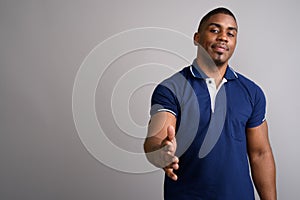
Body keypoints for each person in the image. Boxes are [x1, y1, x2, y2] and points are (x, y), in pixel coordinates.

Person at [144, 7, 276, 200]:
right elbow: (155, 139)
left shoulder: (252, 92)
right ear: (197, 37)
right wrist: (161, 152)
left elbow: (260, 154)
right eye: (215, 30)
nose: (223, 37)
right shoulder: (171, 88)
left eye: (230, 33)